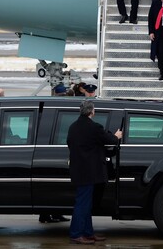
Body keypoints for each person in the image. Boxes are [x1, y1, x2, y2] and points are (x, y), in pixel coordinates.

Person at [67, 100, 122, 244]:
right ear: (92, 111)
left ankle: (88, 232)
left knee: (86, 203)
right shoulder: (95, 127)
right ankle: (76, 233)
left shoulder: (73, 127)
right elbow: (110, 140)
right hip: (90, 172)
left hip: (78, 171)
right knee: (82, 204)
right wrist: (117, 136)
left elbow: (69, 143)